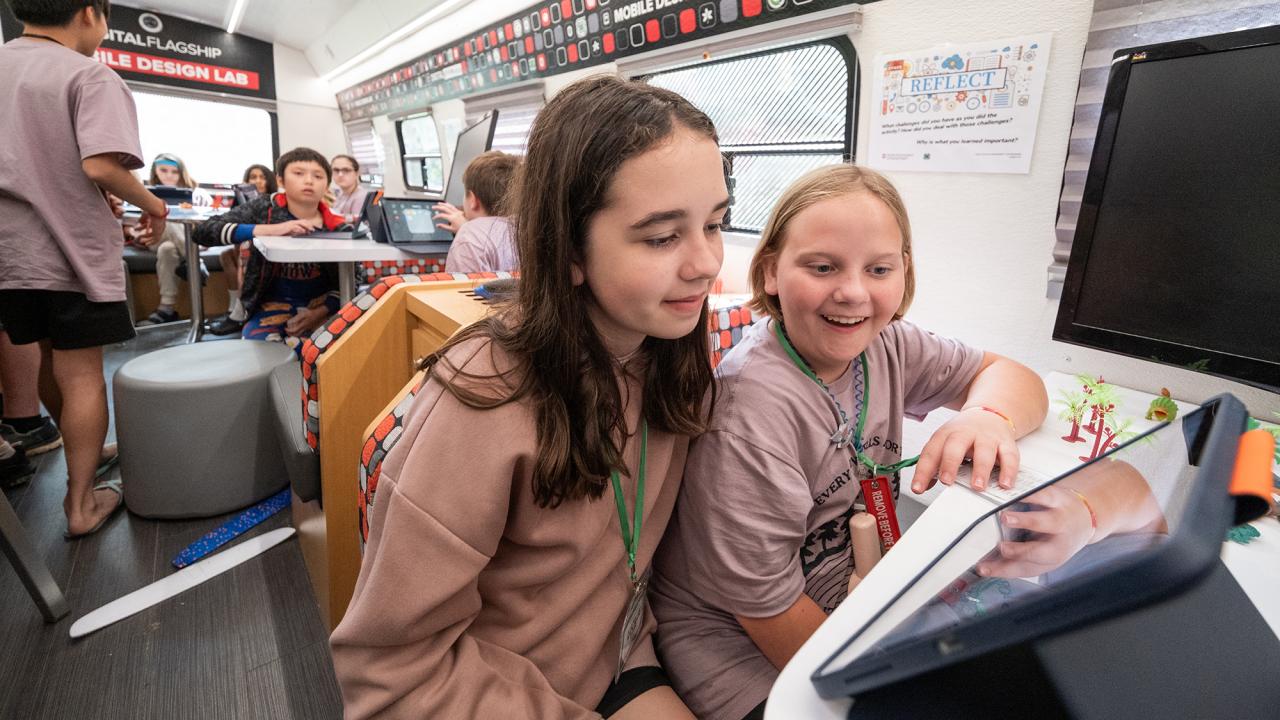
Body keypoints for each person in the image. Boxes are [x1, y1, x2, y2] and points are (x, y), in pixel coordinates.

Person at [330, 75, 728, 718]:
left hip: (622, 654)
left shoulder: (668, 356)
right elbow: (392, 676)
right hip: (495, 691)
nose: (706, 262)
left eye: (716, 223)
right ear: (568, 247)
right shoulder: (483, 399)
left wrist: (960, 407)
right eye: (661, 237)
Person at [650, 164, 1048, 720]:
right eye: (822, 266)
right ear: (769, 272)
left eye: (879, 268)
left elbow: (1016, 377)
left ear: (903, 272)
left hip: (853, 596)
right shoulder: (749, 420)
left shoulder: (888, 345)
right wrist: (903, 674)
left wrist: (987, 415)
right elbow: (773, 616)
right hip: (749, 655)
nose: (854, 292)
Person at [0, 0, 168, 538]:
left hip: (10, 256)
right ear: (91, 12)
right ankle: (81, 505)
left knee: (47, 357)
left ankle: (82, 451)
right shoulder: (89, 75)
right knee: (82, 376)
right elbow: (100, 163)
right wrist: (153, 205)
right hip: (67, 252)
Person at [193, 148, 347, 350]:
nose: (309, 181)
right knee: (264, 351)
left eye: (318, 176)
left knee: (326, 353)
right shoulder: (263, 209)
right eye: (299, 173)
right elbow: (203, 232)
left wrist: (319, 312)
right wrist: (271, 230)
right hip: (269, 305)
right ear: (281, 181)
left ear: (326, 185)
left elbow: (352, 278)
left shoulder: (339, 225)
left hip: (322, 306)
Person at [133, 153, 208, 326]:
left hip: (179, 241)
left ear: (182, 174)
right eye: (164, 170)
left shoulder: (196, 194)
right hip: (156, 239)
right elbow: (137, 225)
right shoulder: (145, 193)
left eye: (174, 172)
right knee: (166, 217)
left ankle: (166, 308)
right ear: (155, 171)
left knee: (167, 248)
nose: (168, 175)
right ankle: (196, 263)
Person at [210, 163, 278, 336]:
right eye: (253, 177)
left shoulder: (274, 201)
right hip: (246, 243)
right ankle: (234, 306)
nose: (258, 181)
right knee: (227, 255)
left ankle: (241, 311)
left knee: (244, 255)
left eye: (262, 177)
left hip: (265, 245)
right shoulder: (241, 202)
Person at [443, 150, 521, 273]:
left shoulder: (468, 237)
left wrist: (467, 229)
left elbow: (461, 290)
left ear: (473, 200)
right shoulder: (526, 228)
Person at [329, 154, 368, 224]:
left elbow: (360, 222)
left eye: (346, 170)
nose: (340, 174)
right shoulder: (340, 193)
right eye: (336, 170)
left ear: (356, 173)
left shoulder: (361, 196)